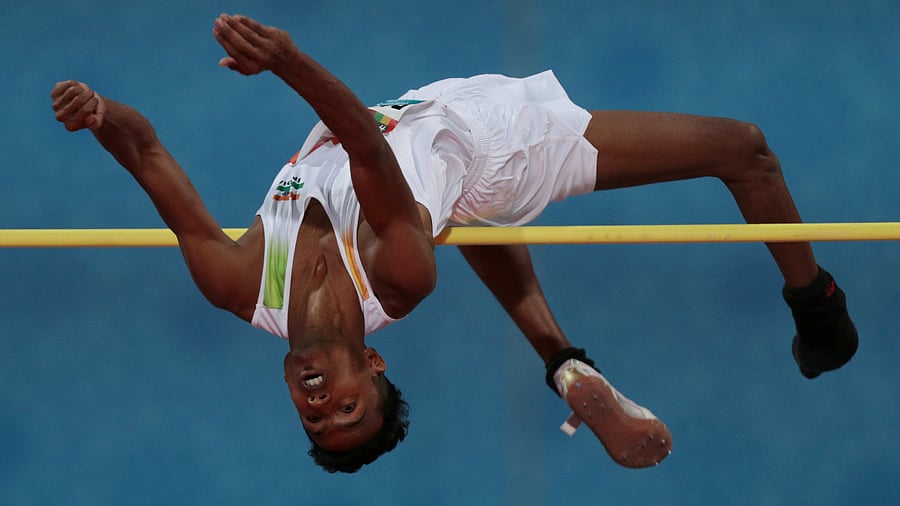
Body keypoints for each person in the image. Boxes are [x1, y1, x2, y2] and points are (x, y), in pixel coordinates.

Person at [50, 13, 858, 473]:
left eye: (314, 419)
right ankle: (818, 307)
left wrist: (99, 113)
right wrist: (290, 60)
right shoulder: (395, 283)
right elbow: (362, 149)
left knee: (461, 218)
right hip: (497, 144)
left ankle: (562, 359)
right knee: (743, 148)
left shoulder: (238, 285)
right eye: (348, 410)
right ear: (374, 365)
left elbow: (148, 156)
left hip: (424, 126)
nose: (321, 402)